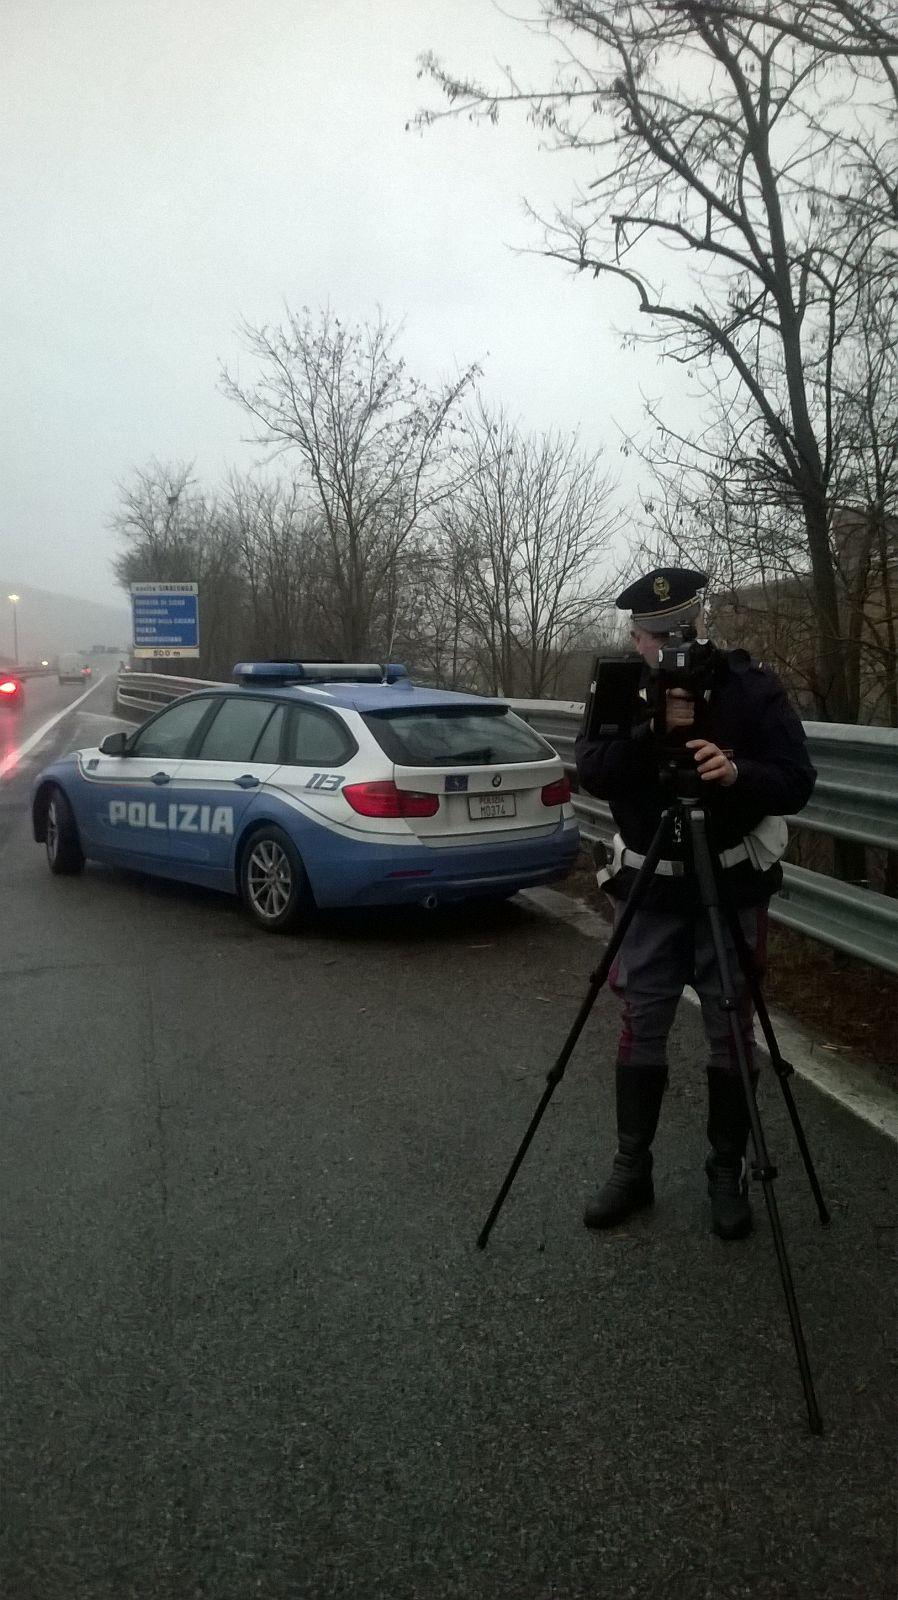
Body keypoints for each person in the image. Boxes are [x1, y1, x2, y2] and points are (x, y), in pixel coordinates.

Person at [575, 566, 816, 1240]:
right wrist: (650, 737)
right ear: (634, 635)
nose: (661, 649)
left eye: (673, 634)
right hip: (650, 884)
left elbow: (797, 780)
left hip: (729, 883)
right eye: (649, 637)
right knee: (642, 1017)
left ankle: (725, 1168)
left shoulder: (750, 688)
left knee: (729, 1022)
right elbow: (590, 769)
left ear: (700, 625)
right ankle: (632, 1165)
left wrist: (737, 771)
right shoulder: (620, 686)